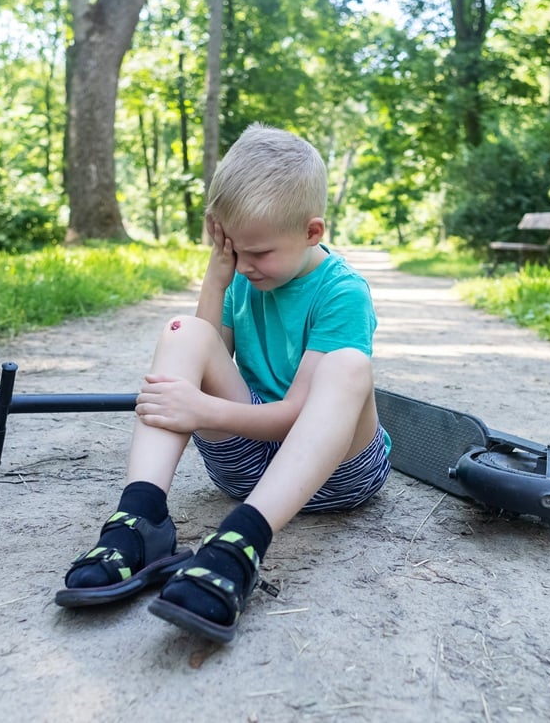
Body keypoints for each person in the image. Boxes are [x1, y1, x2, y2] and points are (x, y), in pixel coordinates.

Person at [54, 124, 391, 643]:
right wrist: (217, 274)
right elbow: (207, 352)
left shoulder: (341, 291)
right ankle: (139, 519)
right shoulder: (240, 273)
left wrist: (203, 412)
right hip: (248, 466)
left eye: (259, 254)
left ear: (312, 232)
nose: (247, 266)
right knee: (184, 331)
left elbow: (294, 415)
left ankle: (240, 544)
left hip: (337, 473)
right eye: (235, 249)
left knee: (348, 366)